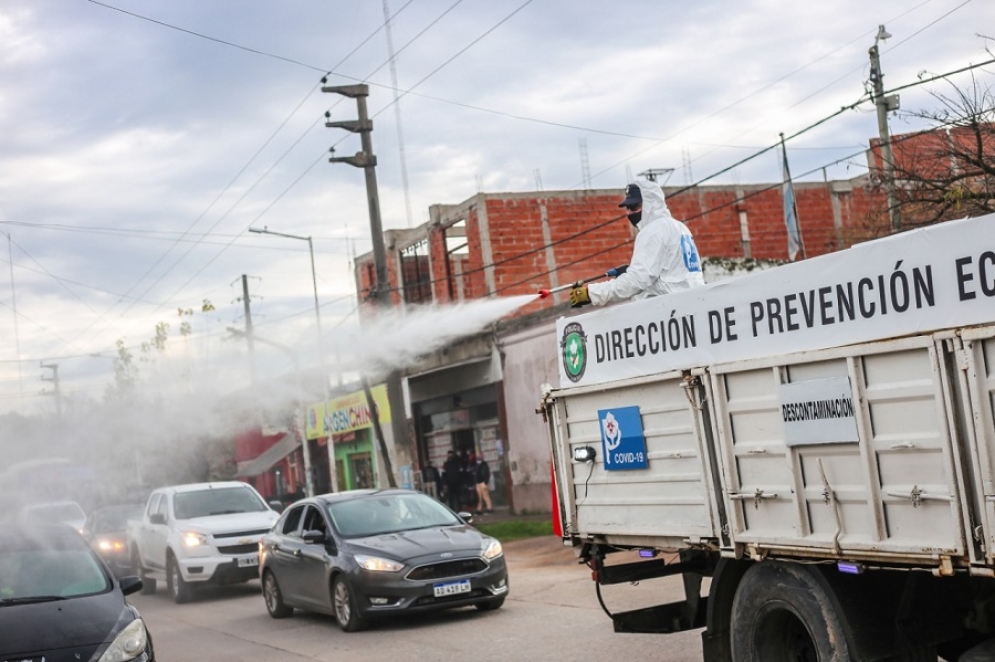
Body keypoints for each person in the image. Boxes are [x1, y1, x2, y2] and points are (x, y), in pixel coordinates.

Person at [570, 179, 704, 307]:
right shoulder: (680, 227)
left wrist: (591, 293)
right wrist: (630, 271)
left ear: (651, 203)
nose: (629, 213)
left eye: (634, 207)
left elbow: (638, 279)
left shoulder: (653, 230)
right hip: (695, 303)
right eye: (627, 208)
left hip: (667, 310)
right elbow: (669, 271)